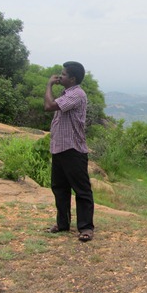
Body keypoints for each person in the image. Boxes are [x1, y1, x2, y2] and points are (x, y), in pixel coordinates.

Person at [44, 61, 95, 242]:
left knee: (81, 190)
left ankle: (86, 227)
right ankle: (63, 223)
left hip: (73, 149)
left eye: (63, 74)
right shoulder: (67, 93)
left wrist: (49, 84)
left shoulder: (77, 94)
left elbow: (49, 106)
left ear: (72, 79)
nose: (60, 76)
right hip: (59, 148)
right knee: (60, 188)